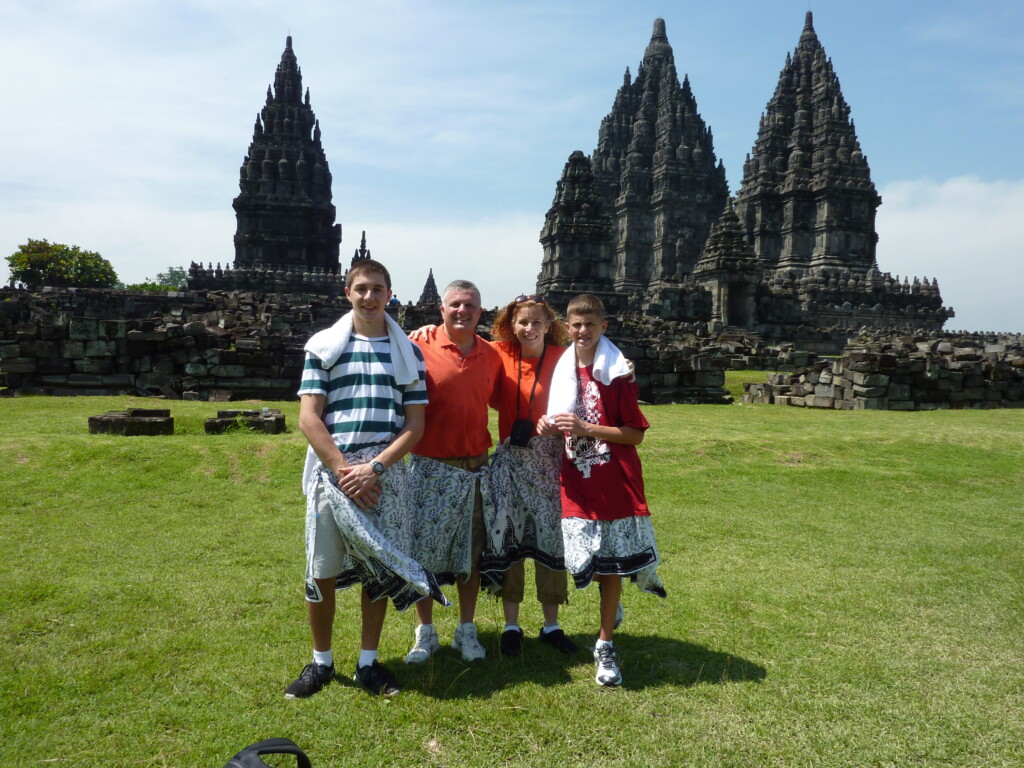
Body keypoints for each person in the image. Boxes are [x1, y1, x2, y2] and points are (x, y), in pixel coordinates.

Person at [286, 258, 442, 699]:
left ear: (390, 295)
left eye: (378, 289)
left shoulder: (408, 353)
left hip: (383, 473)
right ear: (347, 294)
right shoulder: (323, 347)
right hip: (331, 471)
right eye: (362, 289)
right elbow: (309, 417)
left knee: (377, 568)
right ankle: (321, 662)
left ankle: (369, 661)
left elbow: (415, 424)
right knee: (321, 572)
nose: (370, 297)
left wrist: (374, 468)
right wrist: (341, 469)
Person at [540, 293, 666, 687]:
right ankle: (613, 608)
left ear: (603, 327)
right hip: (576, 480)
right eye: (576, 325)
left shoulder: (617, 373)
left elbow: (635, 435)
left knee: (609, 563)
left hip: (614, 480)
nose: (582, 331)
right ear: (567, 327)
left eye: (590, 325)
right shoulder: (561, 370)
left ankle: (605, 643)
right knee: (582, 561)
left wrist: (586, 429)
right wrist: (549, 426)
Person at [405, 280, 501, 663]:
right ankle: (425, 632)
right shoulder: (416, 346)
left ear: (481, 312)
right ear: (440, 310)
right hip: (429, 466)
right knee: (422, 553)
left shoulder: (492, 355)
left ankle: (466, 629)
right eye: (455, 305)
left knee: (471, 554)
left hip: (475, 466)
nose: (462, 311)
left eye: (470, 306)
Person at [481, 294, 579, 658]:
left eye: (537, 322)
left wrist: (625, 366)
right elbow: (460, 345)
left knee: (550, 540)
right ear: (511, 326)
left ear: (549, 325)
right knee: (509, 539)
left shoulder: (562, 358)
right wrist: (425, 331)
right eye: (522, 322)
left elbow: (593, 369)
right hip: (510, 459)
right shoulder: (499, 353)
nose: (530, 328)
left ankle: (551, 623)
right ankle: (511, 624)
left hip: (550, 460)